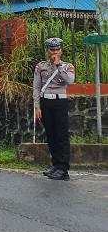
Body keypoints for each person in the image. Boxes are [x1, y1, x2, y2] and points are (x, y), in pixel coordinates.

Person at [34, 37, 76, 181]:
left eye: (57, 49)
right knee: (51, 135)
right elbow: (37, 87)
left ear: (61, 51)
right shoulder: (41, 67)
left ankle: (63, 169)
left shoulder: (67, 67)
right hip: (46, 103)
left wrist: (58, 67)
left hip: (60, 103)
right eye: (51, 49)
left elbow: (70, 81)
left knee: (62, 135)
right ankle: (56, 165)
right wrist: (37, 107)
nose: (54, 52)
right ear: (47, 51)